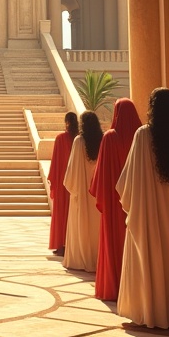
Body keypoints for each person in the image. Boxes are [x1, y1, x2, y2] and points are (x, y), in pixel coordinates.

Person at [117, 88, 169, 329]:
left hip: (152, 215)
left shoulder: (143, 136)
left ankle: (154, 312)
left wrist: (134, 205)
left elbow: (127, 183)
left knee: (154, 259)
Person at [90, 97, 143, 300]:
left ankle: (114, 287)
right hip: (138, 201)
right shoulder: (142, 135)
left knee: (115, 242)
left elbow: (100, 176)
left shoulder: (111, 138)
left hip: (114, 202)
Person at [63, 110, 102, 273]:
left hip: (81, 190)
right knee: (96, 226)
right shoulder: (103, 140)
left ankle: (81, 259)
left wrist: (71, 186)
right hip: (97, 191)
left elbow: (71, 171)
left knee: (81, 225)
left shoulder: (79, 141)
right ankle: (97, 258)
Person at [48, 111, 77, 255]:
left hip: (62, 182)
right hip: (76, 182)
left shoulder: (60, 138)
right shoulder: (80, 138)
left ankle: (60, 245)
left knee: (61, 214)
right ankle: (74, 244)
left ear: (66, 122)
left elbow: (55, 162)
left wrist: (53, 178)